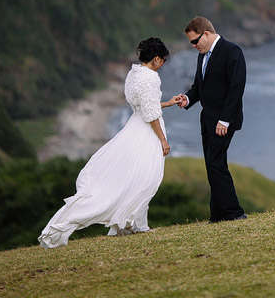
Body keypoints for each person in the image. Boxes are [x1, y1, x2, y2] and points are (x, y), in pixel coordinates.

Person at [38, 37, 179, 248]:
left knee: (137, 178)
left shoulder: (134, 74)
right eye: (163, 61)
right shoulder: (151, 78)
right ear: (157, 59)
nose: (163, 65)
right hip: (145, 133)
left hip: (133, 126)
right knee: (146, 178)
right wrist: (163, 140)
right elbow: (150, 114)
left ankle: (135, 225)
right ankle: (130, 224)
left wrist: (167, 103)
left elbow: (144, 106)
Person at [173, 16, 247, 222]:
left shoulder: (232, 51)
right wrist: (187, 99)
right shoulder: (202, 55)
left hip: (224, 121)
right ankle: (218, 215)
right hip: (207, 120)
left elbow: (236, 88)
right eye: (191, 43)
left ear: (206, 33)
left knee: (216, 164)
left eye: (195, 41)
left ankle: (235, 213)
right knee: (212, 165)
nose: (194, 46)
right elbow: (199, 87)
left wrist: (225, 120)